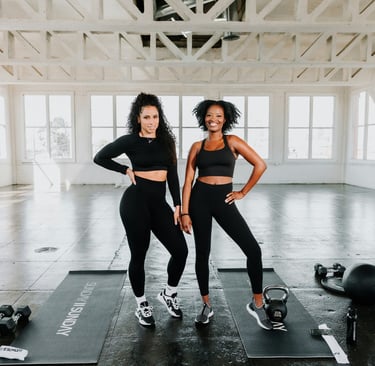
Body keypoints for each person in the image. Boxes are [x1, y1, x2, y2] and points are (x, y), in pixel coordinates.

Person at [94, 92, 188, 328]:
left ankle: (169, 293)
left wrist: (178, 205)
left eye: (155, 116)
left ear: (160, 118)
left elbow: (173, 177)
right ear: (138, 118)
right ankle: (142, 303)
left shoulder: (167, 141)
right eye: (146, 117)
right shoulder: (130, 141)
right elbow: (100, 157)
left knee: (180, 250)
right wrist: (124, 170)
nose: (151, 121)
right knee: (139, 255)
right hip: (135, 203)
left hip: (159, 204)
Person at [180, 99, 272, 330]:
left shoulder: (232, 141)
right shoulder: (197, 147)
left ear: (225, 119)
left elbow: (260, 164)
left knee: (253, 249)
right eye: (210, 115)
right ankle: (206, 304)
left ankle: (258, 302)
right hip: (199, 199)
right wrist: (184, 212)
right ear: (203, 117)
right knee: (202, 254)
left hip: (224, 199)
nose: (214, 119)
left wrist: (242, 192)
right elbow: (188, 181)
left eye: (219, 116)